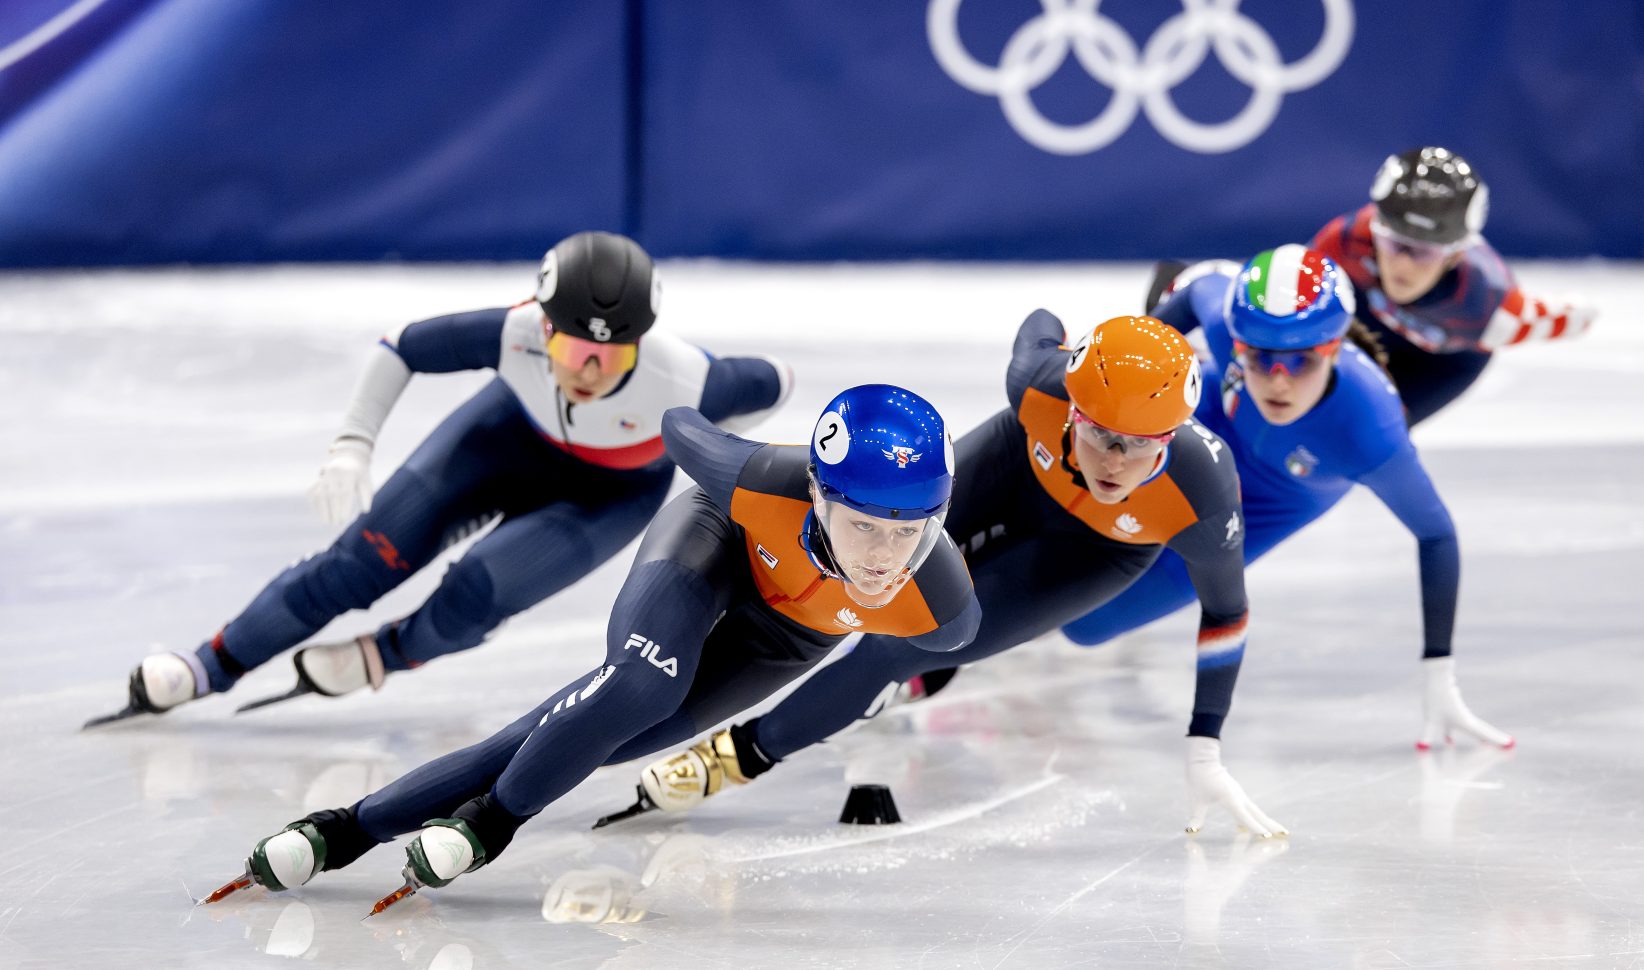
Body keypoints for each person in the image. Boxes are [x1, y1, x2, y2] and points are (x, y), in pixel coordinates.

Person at [204, 385, 979, 908]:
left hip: (789, 633)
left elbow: (912, 654)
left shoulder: (940, 607)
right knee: (635, 687)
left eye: (908, 532)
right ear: (817, 491)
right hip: (713, 548)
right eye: (864, 526)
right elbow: (682, 428)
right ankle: (488, 824)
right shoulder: (762, 481)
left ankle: (344, 829)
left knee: (609, 738)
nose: (883, 555)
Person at [617, 313, 1284, 839]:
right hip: (1009, 469)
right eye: (1100, 432)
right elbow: (1041, 321)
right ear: (1072, 408)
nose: (1114, 460)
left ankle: (736, 757)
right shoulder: (1038, 383)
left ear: (1172, 440)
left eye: (1140, 445)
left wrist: (1205, 746)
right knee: (862, 569)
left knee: (899, 641)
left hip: (1096, 553)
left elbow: (1227, 611)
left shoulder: (1202, 492)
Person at [86, 231, 791, 727]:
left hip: (606, 494)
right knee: (356, 564)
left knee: (477, 593)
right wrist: (351, 447)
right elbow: (401, 346)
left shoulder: (692, 377)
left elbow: (776, 380)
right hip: (503, 441)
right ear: (544, 327)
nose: (591, 370)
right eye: (576, 348)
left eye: (614, 354)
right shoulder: (511, 330)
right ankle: (210, 664)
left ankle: (385, 655)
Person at [1061, 246, 1512, 752]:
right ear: (1239, 343)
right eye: (1259, 358)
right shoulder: (1225, 328)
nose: (1278, 380)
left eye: (1300, 362)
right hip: (1201, 427)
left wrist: (1439, 674)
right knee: (1059, 510)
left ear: (1335, 348)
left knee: (1086, 624)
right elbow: (1199, 287)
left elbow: (1436, 534)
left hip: (1263, 505)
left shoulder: (1370, 431)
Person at [1309, 146, 1595, 425]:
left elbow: (1581, 314)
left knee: (1363, 434)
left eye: (1425, 252)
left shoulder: (1491, 308)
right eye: (1394, 244)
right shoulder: (1343, 242)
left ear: (1456, 254)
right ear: (1375, 228)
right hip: (1367, 322)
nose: (1404, 265)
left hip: (1438, 362)